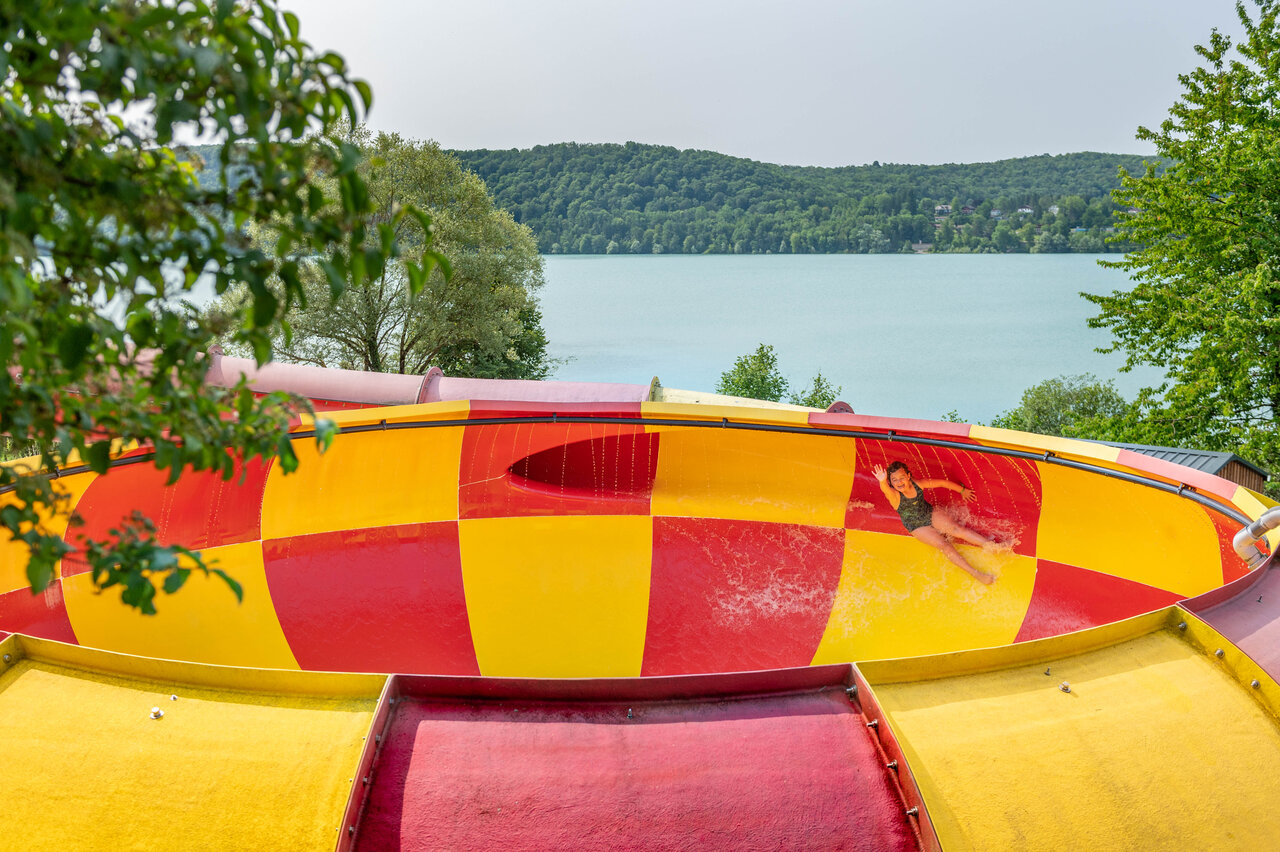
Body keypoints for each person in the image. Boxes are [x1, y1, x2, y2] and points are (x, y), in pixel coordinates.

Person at [873, 461, 997, 584]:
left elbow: (942, 483)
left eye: (902, 478)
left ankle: (992, 546)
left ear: (908, 476)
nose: (899, 482)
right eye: (894, 480)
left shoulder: (917, 484)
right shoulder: (895, 496)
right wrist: (882, 481)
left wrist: (962, 490)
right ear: (891, 482)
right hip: (916, 526)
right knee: (945, 545)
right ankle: (977, 575)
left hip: (929, 513)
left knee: (957, 529)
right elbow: (885, 490)